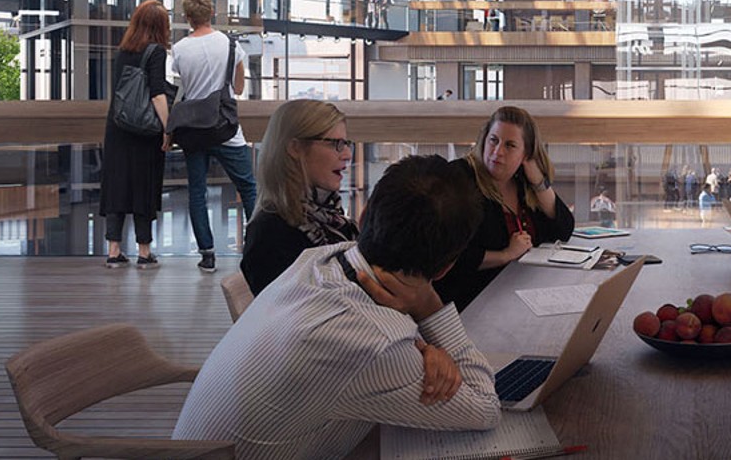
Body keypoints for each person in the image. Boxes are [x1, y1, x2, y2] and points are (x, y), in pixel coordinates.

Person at [173, 155, 500, 459]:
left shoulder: (318, 259)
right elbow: (487, 407)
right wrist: (429, 308)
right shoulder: (378, 345)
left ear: (365, 214)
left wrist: (419, 346)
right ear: (445, 268)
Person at [434, 106, 575, 310]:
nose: (498, 152)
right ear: (484, 140)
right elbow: (446, 254)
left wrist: (538, 182)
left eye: (510, 145)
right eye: (494, 140)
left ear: (526, 154)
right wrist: (505, 255)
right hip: (470, 303)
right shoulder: (459, 179)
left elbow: (563, 229)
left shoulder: (522, 182)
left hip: (522, 294)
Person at [173, 0, 256, 274]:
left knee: (197, 191)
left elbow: (184, 86)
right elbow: (239, 88)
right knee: (248, 187)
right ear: (211, 12)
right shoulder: (231, 45)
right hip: (226, 129)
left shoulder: (179, 49)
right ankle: (257, 248)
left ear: (187, 17)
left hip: (193, 129)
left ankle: (207, 255)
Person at [240, 100, 359, 295]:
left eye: (346, 144)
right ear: (295, 148)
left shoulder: (333, 221)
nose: (347, 154)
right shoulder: (270, 234)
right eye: (335, 144)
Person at [101, 0, 172, 269]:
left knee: (117, 185)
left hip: (117, 126)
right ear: (160, 26)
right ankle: (144, 252)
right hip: (144, 130)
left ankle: (113, 251)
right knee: (144, 185)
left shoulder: (123, 50)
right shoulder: (156, 52)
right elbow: (157, 94)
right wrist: (168, 127)